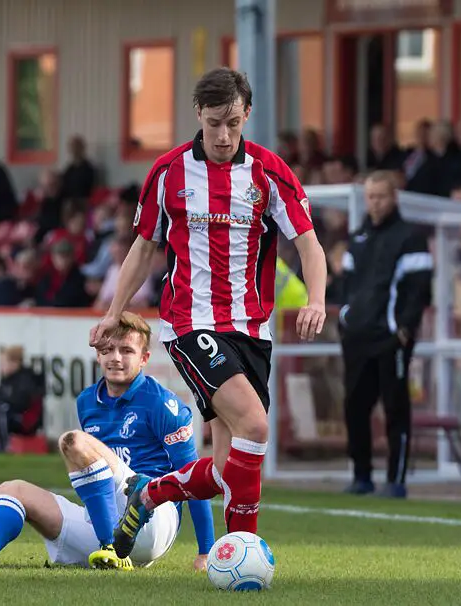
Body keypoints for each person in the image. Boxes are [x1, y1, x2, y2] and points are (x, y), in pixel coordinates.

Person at [88, 67, 328, 558]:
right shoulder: (169, 171)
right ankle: (243, 549)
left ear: (247, 115)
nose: (223, 135)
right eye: (215, 122)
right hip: (191, 324)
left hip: (252, 329)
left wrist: (317, 299)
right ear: (198, 114)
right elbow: (143, 246)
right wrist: (115, 311)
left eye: (234, 124)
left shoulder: (269, 172)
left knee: (224, 470)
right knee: (257, 428)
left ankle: (148, 493)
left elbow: (309, 244)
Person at [0, 312, 214, 571]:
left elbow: (194, 478)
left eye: (127, 350)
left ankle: (113, 546)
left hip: (154, 519)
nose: (116, 358)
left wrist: (205, 552)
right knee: (13, 489)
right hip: (105, 523)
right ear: (98, 355)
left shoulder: (164, 405)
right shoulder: (87, 401)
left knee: (75, 442)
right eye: (108, 349)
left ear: (144, 358)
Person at [338, 171, 433, 499]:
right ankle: (361, 475)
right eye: (370, 196)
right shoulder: (358, 236)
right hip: (358, 338)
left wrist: (404, 330)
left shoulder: (410, 237)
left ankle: (396, 480)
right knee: (354, 407)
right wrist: (345, 321)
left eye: (381, 196)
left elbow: (420, 291)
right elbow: (346, 286)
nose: (375, 203)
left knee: (395, 409)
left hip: (391, 338)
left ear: (394, 198)